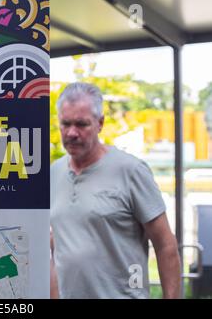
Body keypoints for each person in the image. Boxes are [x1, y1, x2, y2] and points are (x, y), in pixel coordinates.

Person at [50, 82, 181, 299]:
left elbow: (165, 245)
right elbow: (62, 242)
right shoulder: (52, 174)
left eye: (82, 124)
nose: (72, 133)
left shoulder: (131, 171)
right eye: (66, 124)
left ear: (100, 123)